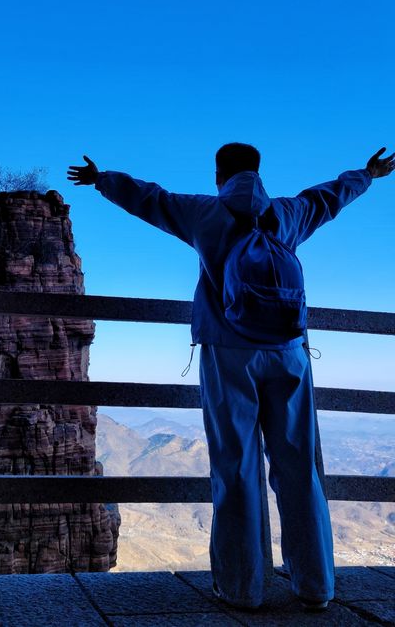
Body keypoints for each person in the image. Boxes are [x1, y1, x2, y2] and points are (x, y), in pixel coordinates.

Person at [67, 145, 394, 612]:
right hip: (290, 355)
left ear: (218, 173)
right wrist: (369, 173)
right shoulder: (288, 213)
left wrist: (103, 180)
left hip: (228, 354)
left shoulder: (205, 213)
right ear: (259, 172)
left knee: (236, 467)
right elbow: (331, 196)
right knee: (300, 467)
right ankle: (316, 585)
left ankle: (243, 588)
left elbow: (151, 199)